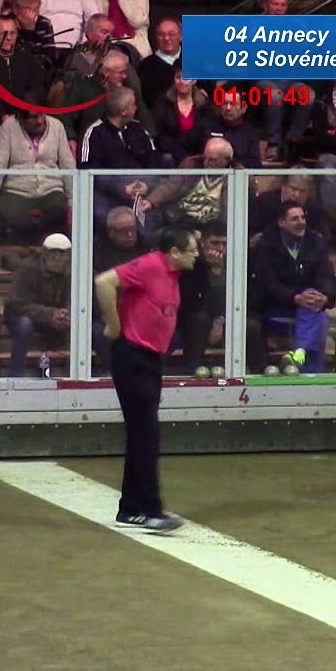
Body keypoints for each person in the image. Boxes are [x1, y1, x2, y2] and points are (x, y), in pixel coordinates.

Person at [93, 227, 200, 533]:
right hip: (133, 355)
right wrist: (114, 326)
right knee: (146, 434)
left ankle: (130, 508)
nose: (196, 254)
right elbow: (104, 282)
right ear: (174, 253)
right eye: (191, 249)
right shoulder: (152, 265)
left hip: (149, 358)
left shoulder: (172, 275)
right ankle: (150, 509)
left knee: (141, 433)